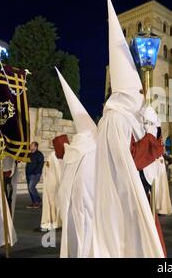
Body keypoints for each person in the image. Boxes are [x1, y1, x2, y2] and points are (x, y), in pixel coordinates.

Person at [91, 0, 166, 258]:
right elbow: (134, 157)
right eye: (137, 90)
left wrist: (152, 130)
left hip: (133, 192)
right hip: (122, 197)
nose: (141, 95)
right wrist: (151, 134)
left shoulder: (121, 116)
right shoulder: (115, 119)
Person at [56, 68, 97, 258]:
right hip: (90, 210)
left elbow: (63, 186)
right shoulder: (92, 149)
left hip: (71, 208)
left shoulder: (72, 151)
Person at [40, 135, 68, 231]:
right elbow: (48, 170)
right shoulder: (52, 156)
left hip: (61, 183)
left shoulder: (66, 155)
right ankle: (53, 221)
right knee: (53, 202)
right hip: (53, 183)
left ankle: (60, 221)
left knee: (60, 202)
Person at [25, 141, 44, 209]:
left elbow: (40, 165)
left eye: (31, 145)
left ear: (35, 147)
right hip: (28, 174)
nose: (30, 146)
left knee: (31, 187)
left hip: (35, 175)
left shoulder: (39, 154)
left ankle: (37, 201)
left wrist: (35, 172)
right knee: (29, 189)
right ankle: (34, 202)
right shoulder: (29, 154)